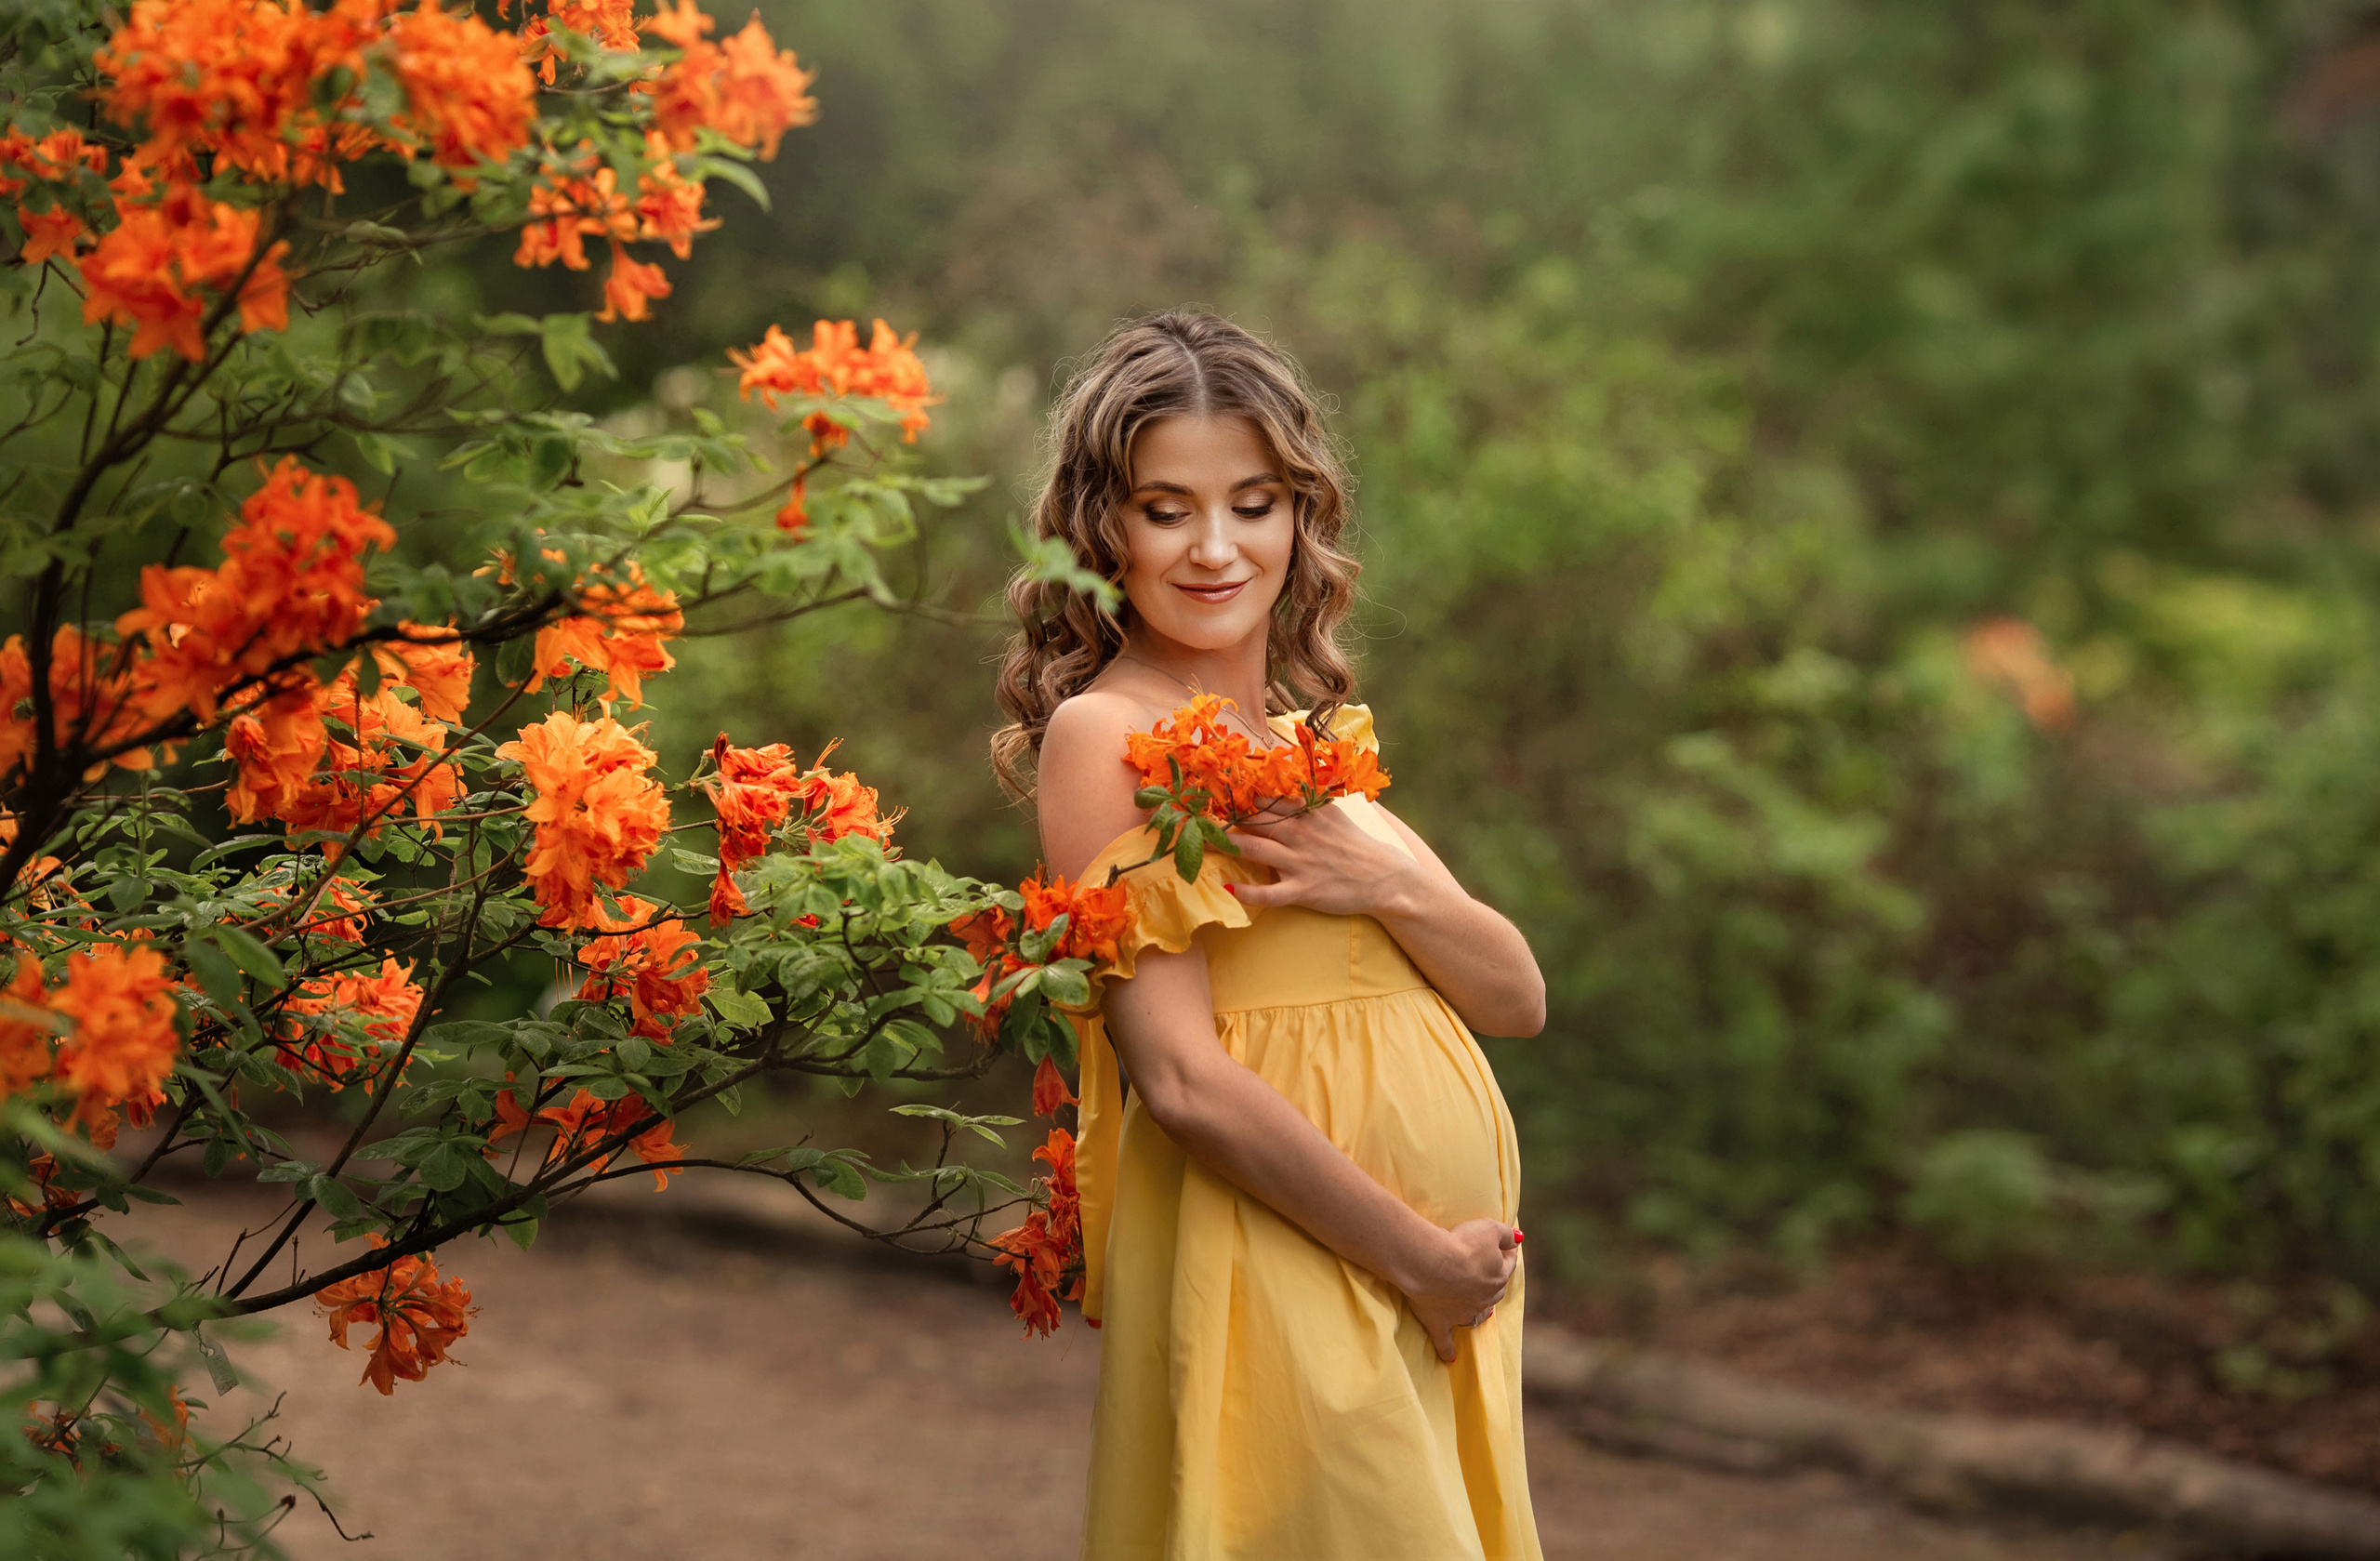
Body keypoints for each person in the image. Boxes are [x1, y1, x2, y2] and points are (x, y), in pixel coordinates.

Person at [994, 310, 1548, 1561]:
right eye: (1165, 507)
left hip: (1415, 1290)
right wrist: (1418, 1257)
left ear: (1299, 518)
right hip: (1289, 1258)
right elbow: (1181, 1077)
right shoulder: (1106, 735)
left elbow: (1517, 994)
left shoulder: (1312, 754)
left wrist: (1386, 884)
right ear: (1103, 529)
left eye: (1251, 503)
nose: (1213, 548)